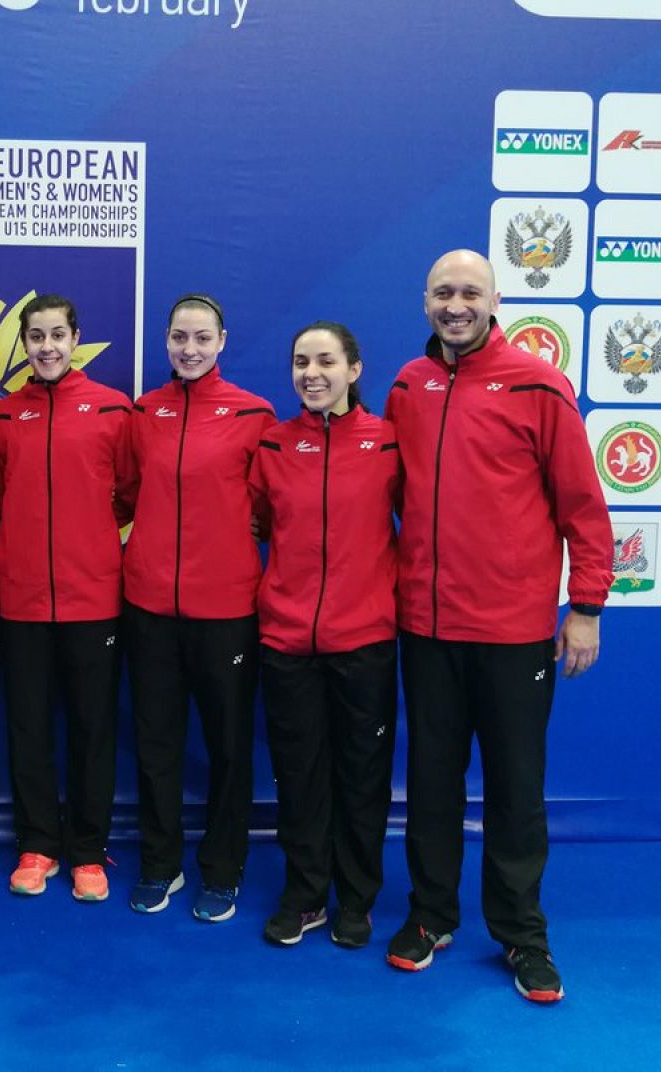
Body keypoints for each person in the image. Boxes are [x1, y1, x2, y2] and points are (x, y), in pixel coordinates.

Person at [384, 249, 611, 1004]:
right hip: (427, 627)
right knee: (431, 784)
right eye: (443, 291)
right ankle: (430, 917)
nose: (457, 304)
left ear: (495, 300)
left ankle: (521, 934)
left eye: (470, 292)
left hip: (514, 633)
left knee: (516, 788)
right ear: (425, 303)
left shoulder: (539, 385)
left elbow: (584, 507)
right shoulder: (406, 387)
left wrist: (584, 608)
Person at [122, 294, 275, 921]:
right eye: (179, 338)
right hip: (150, 606)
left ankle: (221, 868)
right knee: (156, 744)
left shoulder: (253, 413)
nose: (189, 349)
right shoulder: (144, 412)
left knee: (229, 747)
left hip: (227, 610)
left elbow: (268, 507)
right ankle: (161, 865)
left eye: (202, 338)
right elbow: (128, 494)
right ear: (166, 342)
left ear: (222, 341)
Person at [248, 321, 399, 949]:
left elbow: (418, 521)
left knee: (363, 775)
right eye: (301, 362)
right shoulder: (274, 446)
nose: (312, 373)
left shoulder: (391, 442)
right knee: (299, 774)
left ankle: (356, 898)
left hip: (365, 641)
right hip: (286, 643)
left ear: (354, 369)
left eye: (326, 361)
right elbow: (259, 522)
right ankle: (306, 894)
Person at [0, 293, 133, 902]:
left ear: (76, 338)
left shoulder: (112, 409)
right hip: (21, 602)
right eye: (36, 336)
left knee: (92, 730)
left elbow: (128, 493)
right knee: (28, 728)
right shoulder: (2, 417)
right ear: (23, 344)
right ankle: (37, 843)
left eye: (57, 334)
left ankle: (86, 850)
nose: (46, 347)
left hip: (92, 599)